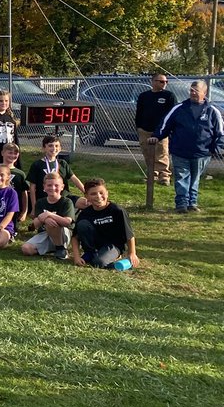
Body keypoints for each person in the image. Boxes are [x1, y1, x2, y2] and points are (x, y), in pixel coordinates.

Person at [152, 80, 224, 213]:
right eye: (191, 90)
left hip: (202, 153)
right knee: (181, 177)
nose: (193, 93)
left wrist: (216, 148)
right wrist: (157, 136)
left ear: (204, 92)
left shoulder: (212, 111)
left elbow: (220, 132)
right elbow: (165, 124)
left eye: (196, 91)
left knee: (195, 179)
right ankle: (181, 204)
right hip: (180, 151)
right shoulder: (179, 108)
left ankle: (192, 203)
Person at [71, 178, 140, 269]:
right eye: (93, 194)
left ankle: (120, 262)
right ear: (86, 196)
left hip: (114, 245)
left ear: (107, 193)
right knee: (83, 224)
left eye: (101, 192)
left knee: (99, 262)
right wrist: (76, 257)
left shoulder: (117, 211)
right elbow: (75, 237)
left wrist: (132, 253)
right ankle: (91, 253)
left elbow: (129, 234)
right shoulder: (85, 213)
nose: (98, 196)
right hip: (95, 245)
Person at [135, 71, 178, 185]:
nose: (164, 83)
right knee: (148, 153)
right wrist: (139, 127)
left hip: (161, 131)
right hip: (145, 129)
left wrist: (167, 129)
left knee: (162, 153)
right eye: (161, 81)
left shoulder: (169, 96)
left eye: (166, 82)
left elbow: (173, 114)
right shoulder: (144, 96)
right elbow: (139, 112)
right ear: (153, 82)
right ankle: (152, 175)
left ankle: (164, 176)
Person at [24, 135, 84, 215]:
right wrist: (34, 207)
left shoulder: (62, 163)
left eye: (56, 146)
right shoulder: (37, 165)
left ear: (60, 148)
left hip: (64, 197)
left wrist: (86, 192)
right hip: (46, 200)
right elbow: (32, 187)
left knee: (87, 203)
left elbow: (74, 179)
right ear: (44, 148)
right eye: (50, 146)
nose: (54, 148)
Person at [21, 173, 76, 260]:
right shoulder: (40, 202)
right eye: (49, 185)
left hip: (63, 233)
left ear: (62, 187)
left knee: (51, 222)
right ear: (44, 187)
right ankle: (52, 248)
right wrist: (43, 219)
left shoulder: (66, 202)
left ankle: (61, 248)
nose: (53, 188)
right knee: (26, 249)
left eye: (56, 185)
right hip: (45, 233)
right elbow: (34, 225)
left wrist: (49, 215)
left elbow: (67, 222)